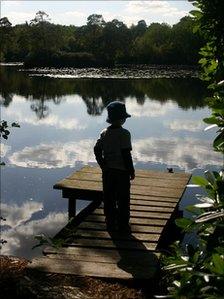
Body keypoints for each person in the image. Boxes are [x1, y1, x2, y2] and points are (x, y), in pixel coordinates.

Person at [94, 101, 135, 232]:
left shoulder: (104, 133)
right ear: (122, 119)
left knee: (109, 197)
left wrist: (102, 164)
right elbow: (126, 154)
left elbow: (96, 149)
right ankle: (123, 224)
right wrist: (131, 170)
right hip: (122, 172)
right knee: (123, 198)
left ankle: (110, 222)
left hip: (108, 172)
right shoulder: (125, 134)